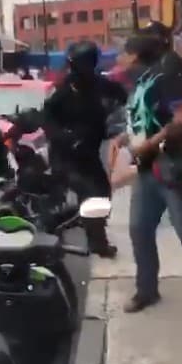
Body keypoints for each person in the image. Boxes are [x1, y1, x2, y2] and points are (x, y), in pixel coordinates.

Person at [120, 28, 182, 312]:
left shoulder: (164, 79)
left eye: (123, 52)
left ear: (134, 55)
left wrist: (152, 143)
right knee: (139, 230)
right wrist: (128, 138)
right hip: (147, 172)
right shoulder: (139, 84)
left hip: (173, 168)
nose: (119, 58)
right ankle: (147, 291)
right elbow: (145, 121)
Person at [43, 41, 127, 257]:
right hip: (65, 154)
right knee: (89, 194)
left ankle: (95, 237)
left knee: (101, 194)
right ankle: (86, 239)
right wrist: (65, 137)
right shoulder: (62, 90)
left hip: (89, 153)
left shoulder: (102, 86)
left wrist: (116, 121)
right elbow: (47, 119)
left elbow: (124, 99)